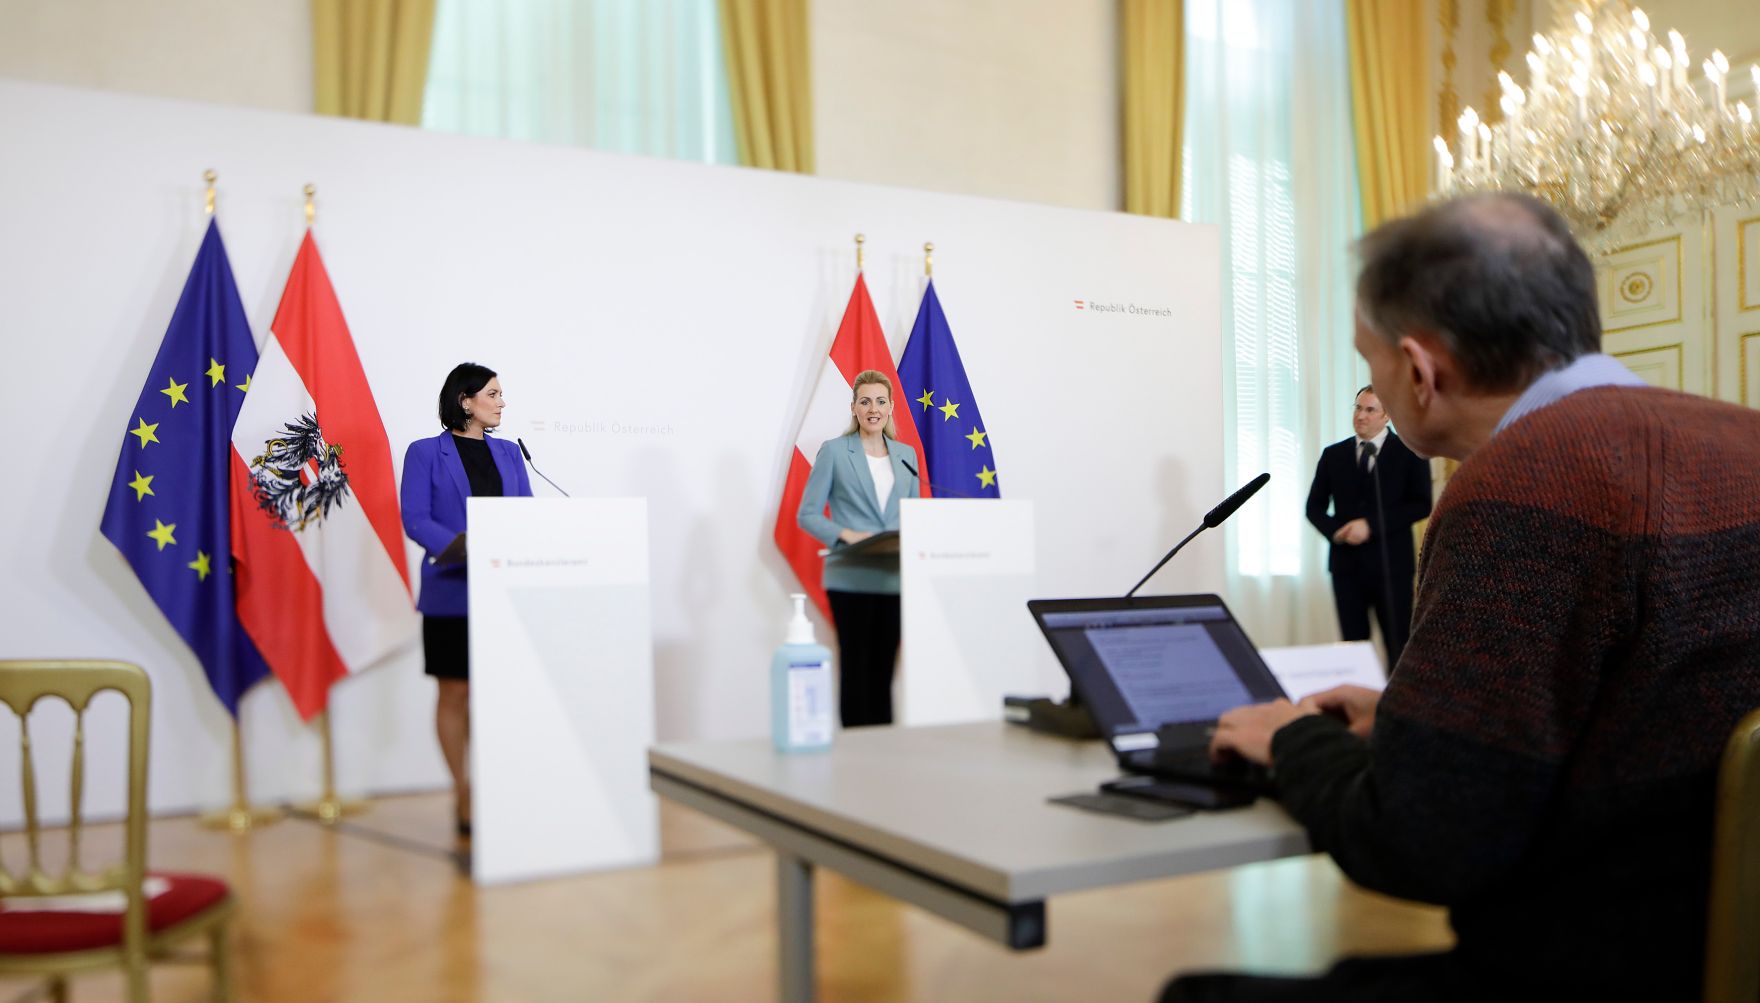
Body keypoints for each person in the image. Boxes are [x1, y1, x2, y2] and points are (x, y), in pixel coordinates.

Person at [1166, 192, 1760, 1001]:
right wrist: (1412, 722)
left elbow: (1423, 841)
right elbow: (1652, 703)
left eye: (1369, 358)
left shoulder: (1523, 483)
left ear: (1418, 370)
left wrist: (1293, 738)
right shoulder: (1742, 435)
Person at [400, 363, 533, 839]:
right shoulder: (424, 452)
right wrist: (469, 545)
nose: (501, 402)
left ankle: (500, 784)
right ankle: (463, 790)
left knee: (499, 694)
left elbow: (526, 516)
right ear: (465, 400)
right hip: (452, 590)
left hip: (504, 592)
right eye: (492, 394)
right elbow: (415, 518)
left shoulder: (511, 453)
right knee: (455, 693)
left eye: (501, 394)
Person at [797, 370, 921, 727]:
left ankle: (884, 753)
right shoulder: (835, 451)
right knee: (855, 673)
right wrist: (847, 535)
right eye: (865, 401)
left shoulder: (907, 455)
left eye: (880, 401)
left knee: (884, 676)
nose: (873, 409)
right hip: (850, 578)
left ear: (891, 407)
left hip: (893, 580)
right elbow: (807, 515)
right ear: (853, 407)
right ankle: (854, 752)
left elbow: (914, 515)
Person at [1304, 385, 1432, 668]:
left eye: (1370, 410)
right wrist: (1336, 532)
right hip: (1346, 567)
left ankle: (1396, 696)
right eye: (1358, 408)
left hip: (1392, 567)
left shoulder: (1410, 452)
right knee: (1353, 647)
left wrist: (1371, 526)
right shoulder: (1333, 455)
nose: (1360, 416)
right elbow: (1314, 507)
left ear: (1387, 415)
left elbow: (1421, 504)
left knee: (1398, 643)